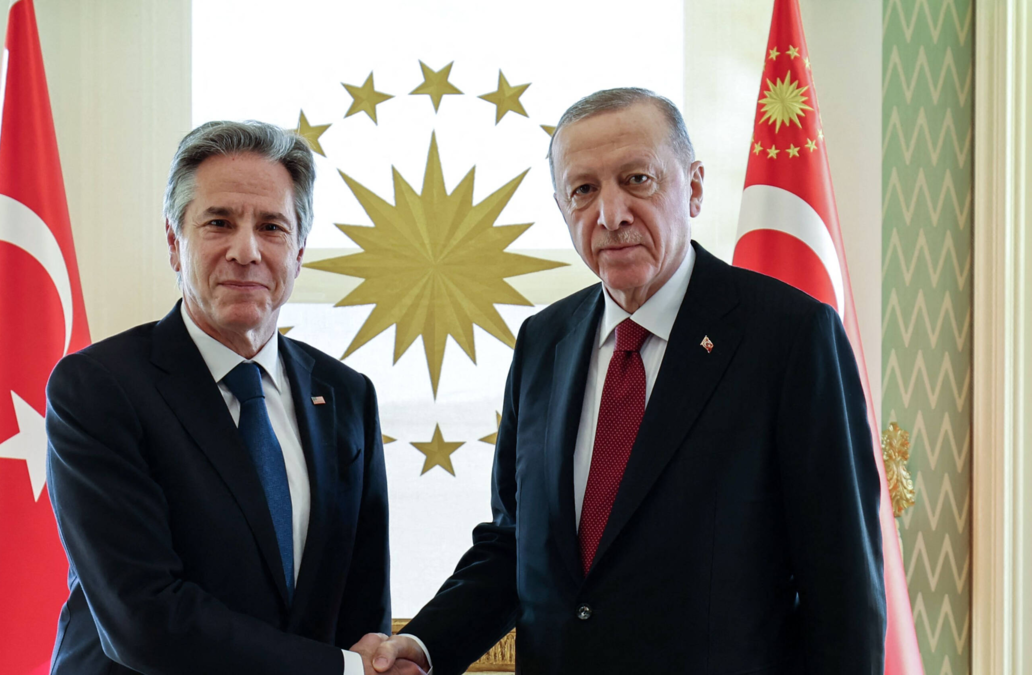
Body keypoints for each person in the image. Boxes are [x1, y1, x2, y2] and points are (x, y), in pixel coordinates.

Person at [358, 88, 886, 675]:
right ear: (562, 207)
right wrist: (424, 643)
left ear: (694, 188)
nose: (610, 215)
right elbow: (515, 545)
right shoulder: (543, 342)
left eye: (637, 179)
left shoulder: (789, 336)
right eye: (583, 190)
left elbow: (843, 593)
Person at [45, 120, 391, 675]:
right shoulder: (98, 389)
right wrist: (341, 670)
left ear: (299, 251)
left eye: (272, 227)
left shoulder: (347, 396)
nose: (246, 250)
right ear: (174, 242)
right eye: (219, 223)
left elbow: (363, 609)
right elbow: (146, 621)